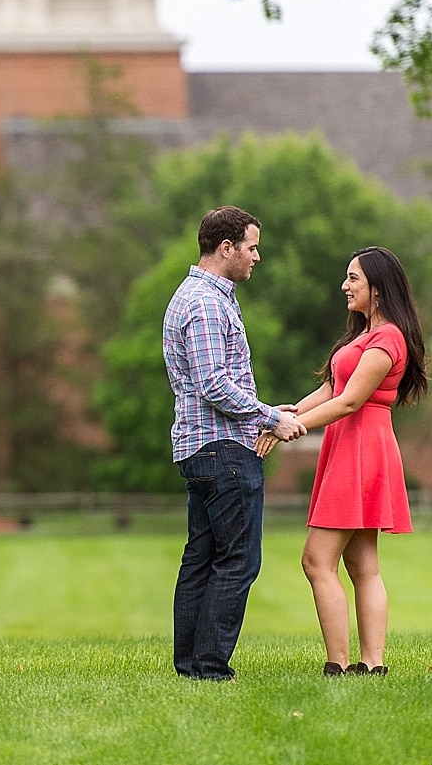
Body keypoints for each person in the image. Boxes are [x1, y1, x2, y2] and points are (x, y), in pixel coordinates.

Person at [258, 246, 428, 677]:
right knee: (361, 564)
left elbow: (351, 400)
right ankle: (371, 665)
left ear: (378, 287)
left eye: (353, 278)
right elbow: (334, 389)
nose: (344, 286)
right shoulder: (363, 336)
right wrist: (285, 414)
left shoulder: (388, 337)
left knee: (317, 560)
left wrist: (294, 429)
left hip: (361, 447)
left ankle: (339, 663)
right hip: (351, 445)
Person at [164, 206, 305, 681]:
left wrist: (268, 414)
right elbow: (213, 384)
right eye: (251, 247)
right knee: (239, 559)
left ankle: (191, 665)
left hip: (204, 448)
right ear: (226, 248)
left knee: (201, 558)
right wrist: (270, 417)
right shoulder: (205, 302)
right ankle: (208, 666)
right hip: (221, 450)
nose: (256, 257)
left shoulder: (200, 297)